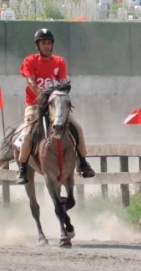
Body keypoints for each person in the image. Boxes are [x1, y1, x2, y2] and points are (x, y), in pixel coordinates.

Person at [16, 28, 96, 184]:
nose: (46, 46)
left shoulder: (59, 62)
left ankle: (83, 163)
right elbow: (31, 83)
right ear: (37, 46)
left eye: (49, 43)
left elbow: (62, 84)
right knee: (28, 133)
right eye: (43, 43)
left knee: (77, 128)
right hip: (35, 105)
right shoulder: (30, 61)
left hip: (55, 106)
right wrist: (43, 96)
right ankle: (23, 169)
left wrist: (57, 97)